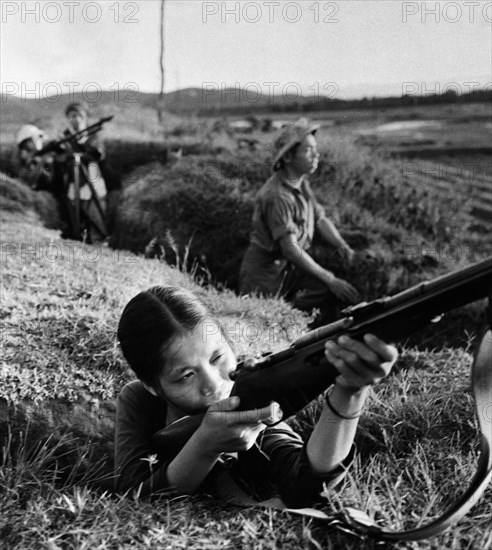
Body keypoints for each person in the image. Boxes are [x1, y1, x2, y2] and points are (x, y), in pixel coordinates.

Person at [115, 286, 397, 507]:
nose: (214, 385)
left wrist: (350, 390)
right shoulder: (139, 399)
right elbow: (133, 495)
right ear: (152, 385)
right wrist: (204, 446)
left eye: (217, 357)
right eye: (186, 375)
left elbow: (309, 487)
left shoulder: (250, 395)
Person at [239, 118, 359, 326]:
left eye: (315, 149)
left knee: (324, 290)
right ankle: (291, 321)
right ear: (287, 157)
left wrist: (343, 246)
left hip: (288, 270)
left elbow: (320, 218)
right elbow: (291, 249)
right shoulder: (277, 196)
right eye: (308, 150)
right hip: (265, 276)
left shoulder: (300, 183)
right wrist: (330, 278)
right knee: (269, 323)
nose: (316, 155)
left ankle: (298, 320)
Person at [57, 101, 108, 242]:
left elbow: (98, 154)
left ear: (85, 117)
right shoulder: (65, 137)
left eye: (80, 115)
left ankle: (99, 243)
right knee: (74, 217)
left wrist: (80, 152)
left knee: (96, 217)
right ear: (68, 118)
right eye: (73, 115)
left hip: (93, 180)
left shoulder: (93, 135)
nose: (77, 119)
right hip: (73, 183)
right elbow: (60, 158)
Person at [14, 124, 54, 191]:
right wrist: (41, 163)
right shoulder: (25, 160)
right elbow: (29, 183)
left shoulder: (38, 156)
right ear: (27, 142)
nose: (39, 140)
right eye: (35, 138)